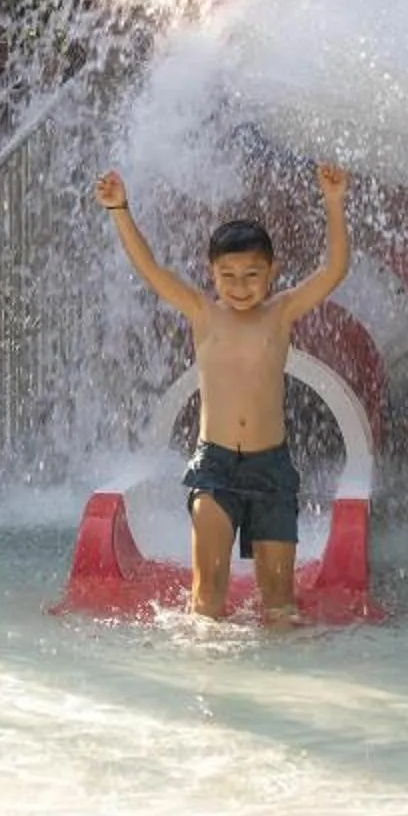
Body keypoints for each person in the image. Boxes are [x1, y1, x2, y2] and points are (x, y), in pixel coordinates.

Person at [95, 161, 351, 621]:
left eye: (252, 274)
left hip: (270, 467)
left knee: (278, 604)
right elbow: (150, 268)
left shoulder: (281, 311)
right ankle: (207, 679)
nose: (240, 286)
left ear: (271, 272)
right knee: (206, 598)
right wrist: (120, 209)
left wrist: (333, 204)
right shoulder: (202, 312)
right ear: (212, 274)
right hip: (213, 467)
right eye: (228, 275)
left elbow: (334, 269)